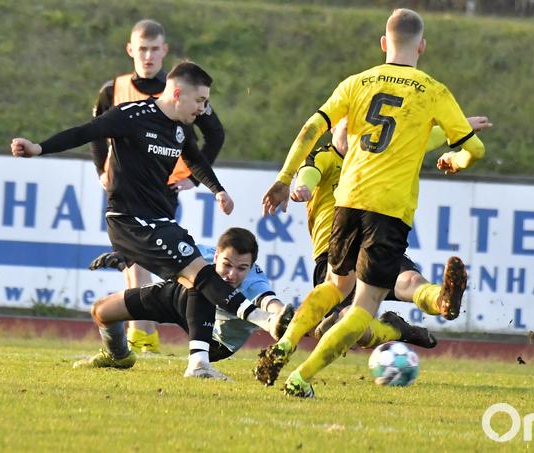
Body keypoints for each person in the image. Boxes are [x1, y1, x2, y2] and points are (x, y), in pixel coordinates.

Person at [256, 8, 486, 397]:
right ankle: (300, 379)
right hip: (388, 209)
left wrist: (283, 178)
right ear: (422, 46)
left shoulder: (357, 82)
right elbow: (474, 149)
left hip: (348, 201)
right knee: (363, 307)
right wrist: (456, 159)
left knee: (334, 285)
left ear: (384, 43)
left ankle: (282, 346)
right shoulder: (433, 90)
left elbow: (313, 127)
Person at [11, 61, 289, 378]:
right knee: (200, 273)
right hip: (129, 219)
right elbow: (86, 132)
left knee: (191, 276)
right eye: (200, 101)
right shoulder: (132, 115)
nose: (203, 109)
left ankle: (138, 356)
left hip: (159, 221)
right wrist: (39, 147)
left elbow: (195, 161)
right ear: (178, 93)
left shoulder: (181, 129)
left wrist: (217, 190)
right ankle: (262, 322)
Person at [294, 114, 493, 345]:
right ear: (333, 128)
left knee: (410, 280)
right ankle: (395, 331)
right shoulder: (324, 156)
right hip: (335, 255)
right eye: (348, 127)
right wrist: (302, 188)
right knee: (351, 325)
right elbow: (309, 172)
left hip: (372, 241)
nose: (354, 135)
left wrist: (461, 127)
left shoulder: (375, 158)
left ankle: (442, 299)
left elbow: (418, 139)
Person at [91, 19, 226, 355]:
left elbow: (215, 134)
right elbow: (95, 131)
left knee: (144, 264)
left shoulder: (181, 91)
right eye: (142, 49)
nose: (148, 56)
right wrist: (100, 170)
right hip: (123, 184)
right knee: (134, 264)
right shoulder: (113, 89)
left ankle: (142, 336)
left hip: (162, 188)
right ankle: (144, 334)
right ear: (131, 50)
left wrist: (194, 177)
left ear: (164, 51)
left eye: (154, 49)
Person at [84, 227, 294, 379]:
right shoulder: (202, 254)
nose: (232, 274)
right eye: (227, 264)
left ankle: (199, 364)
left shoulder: (255, 280)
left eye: (241, 268)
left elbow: (270, 302)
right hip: (180, 299)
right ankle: (119, 356)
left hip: (215, 342)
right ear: (216, 255)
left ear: (251, 266)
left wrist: (279, 316)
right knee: (102, 311)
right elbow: (159, 253)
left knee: (203, 282)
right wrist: (126, 257)